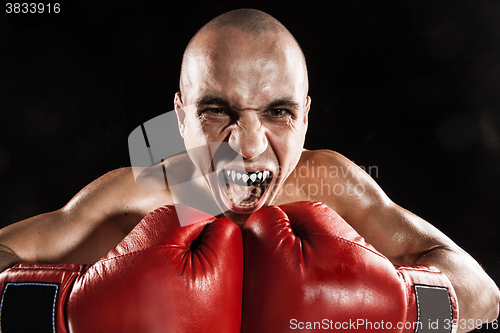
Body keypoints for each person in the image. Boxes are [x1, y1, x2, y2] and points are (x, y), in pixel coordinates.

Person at [0, 8, 498, 331]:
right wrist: (62, 310)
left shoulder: (334, 188)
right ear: (179, 117)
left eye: (278, 113)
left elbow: (483, 295)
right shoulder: (135, 199)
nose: (249, 144)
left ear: (305, 116)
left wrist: (402, 307)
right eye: (218, 111)